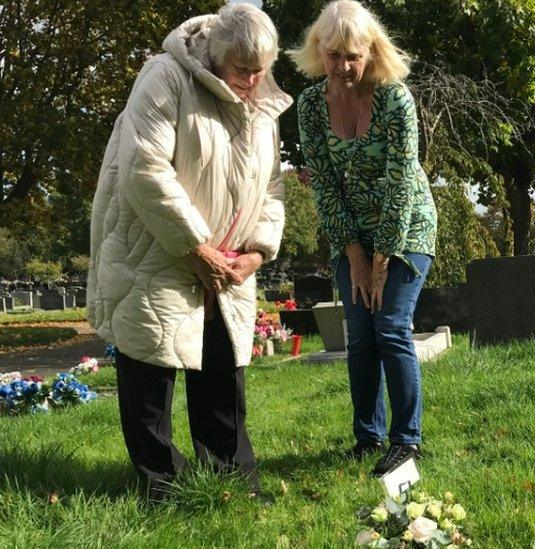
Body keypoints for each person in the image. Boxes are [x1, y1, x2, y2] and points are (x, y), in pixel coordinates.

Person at [87, 4, 292, 501]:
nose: (252, 79)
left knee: (223, 366)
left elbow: (271, 185)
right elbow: (144, 168)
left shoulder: (262, 102)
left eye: (261, 68)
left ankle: (229, 480)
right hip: (153, 246)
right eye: (242, 69)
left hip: (230, 259)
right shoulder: (165, 76)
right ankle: (161, 484)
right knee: (149, 366)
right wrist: (195, 245)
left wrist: (258, 252)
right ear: (215, 54)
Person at [290, 0, 437, 476]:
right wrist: (353, 254)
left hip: (406, 228)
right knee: (360, 337)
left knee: (391, 326)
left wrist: (380, 259)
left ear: (371, 51)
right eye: (334, 55)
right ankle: (367, 437)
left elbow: (400, 184)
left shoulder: (395, 99)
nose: (344, 66)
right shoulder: (311, 106)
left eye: (354, 55)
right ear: (319, 52)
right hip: (348, 231)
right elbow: (326, 186)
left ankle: (406, 442)